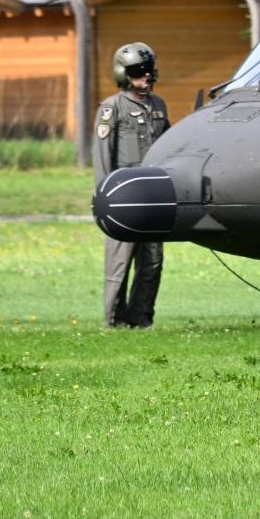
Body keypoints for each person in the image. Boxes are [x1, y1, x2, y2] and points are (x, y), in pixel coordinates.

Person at [95, 41, 169, 328]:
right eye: (139, 71)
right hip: (123, 198)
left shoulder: (159, 106)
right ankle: (115, 321)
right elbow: (103, 157)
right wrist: (105, 199)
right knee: (119, 262)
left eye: (149, 70)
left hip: (154, 196)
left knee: (152, 262)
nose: (146, 76)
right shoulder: (111, 108)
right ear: (123, 74)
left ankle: (142, 320)